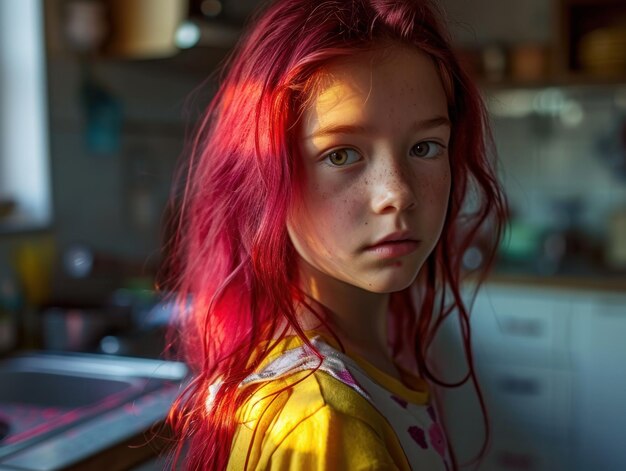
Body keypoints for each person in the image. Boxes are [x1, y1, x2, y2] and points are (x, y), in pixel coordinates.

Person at [163, 0, 506, 469]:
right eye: (341, 155)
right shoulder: (326, 425)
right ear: (264, 177)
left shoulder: (354, 364)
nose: (397, 194)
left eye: (425, 147)